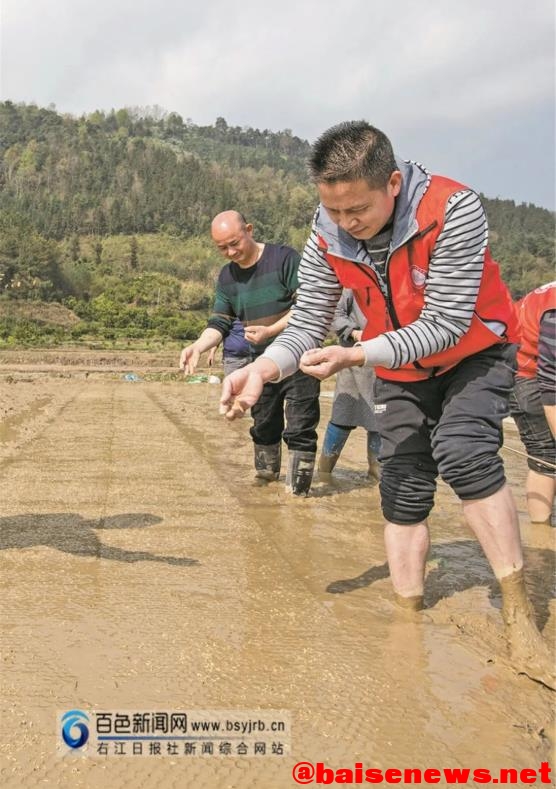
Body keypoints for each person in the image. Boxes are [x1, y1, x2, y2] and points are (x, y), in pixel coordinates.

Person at [219, 121, 553, 686]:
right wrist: (263, 367)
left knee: (464, 452)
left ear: (393, 183)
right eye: (335, 210)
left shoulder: (454, 210)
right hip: (396, 364)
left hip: (473, 351)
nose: (347, 224)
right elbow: (309, 320)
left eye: (359, 211)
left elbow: (445, 325)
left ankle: (518, 608)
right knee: (401, 482)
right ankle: (407, 617)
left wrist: (355, 355)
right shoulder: (327, 233)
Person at [180, 211, 320, 496]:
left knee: (300, 425)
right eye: (222, 248)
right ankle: (266, 486)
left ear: (249, 230)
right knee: (264, 423)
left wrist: (271, 330)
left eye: (235, 243)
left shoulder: (284, 258)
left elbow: (308, 305)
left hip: (300, 358)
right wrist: (198, 345)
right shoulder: (227, 276)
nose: (231, 252)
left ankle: (299, 493)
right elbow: (219, 321)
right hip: (259, 364)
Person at [318, 289, 381, 481]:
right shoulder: (351, 286)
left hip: (382, 361)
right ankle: (324, 474)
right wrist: (354, 332)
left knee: (379, 421)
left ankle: (377, 475)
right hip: (350, 360)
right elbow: (334, 314)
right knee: (342, 416)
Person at [509, 282, 556, 525]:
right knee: (547, 455)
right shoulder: (554, 312)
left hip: (543, 372)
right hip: (525, 374)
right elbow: (551, 388)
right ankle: (542, 534)